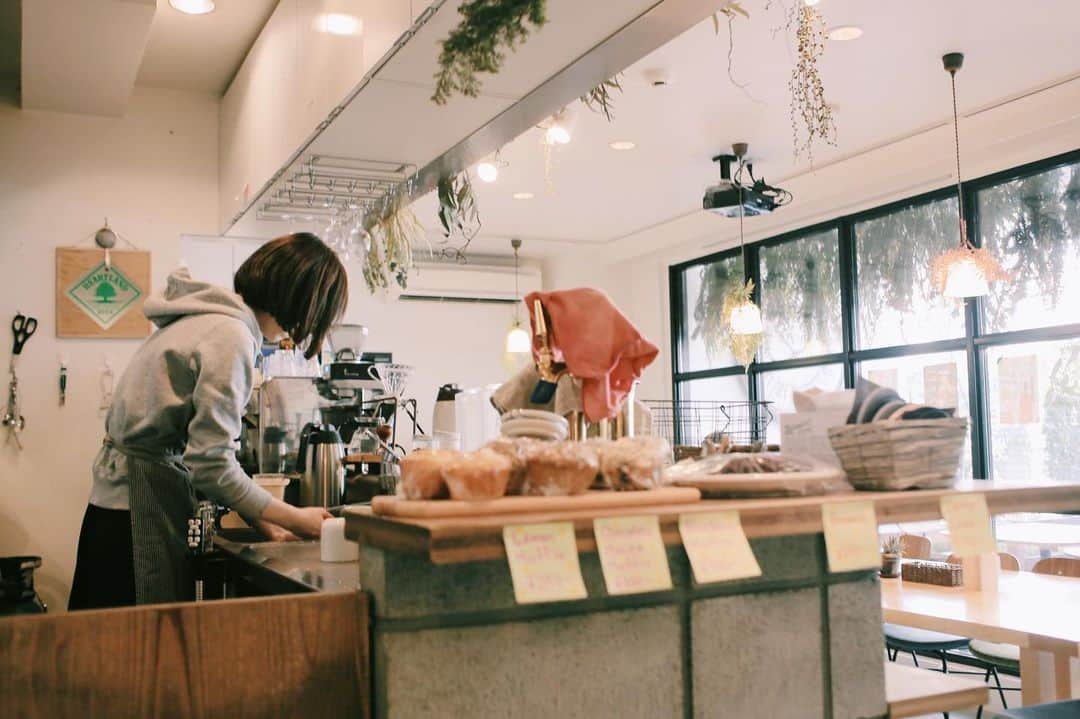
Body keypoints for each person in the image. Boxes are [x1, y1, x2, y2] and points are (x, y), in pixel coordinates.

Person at [69, 233, 348, 609]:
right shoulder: (232, 336)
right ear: (304, 302)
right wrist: (296, 518)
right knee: (133, 657)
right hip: (135, 521)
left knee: (103, 655)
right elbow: (212, 465)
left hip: (115, 511)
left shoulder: (204, 319)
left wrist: (259, 516)